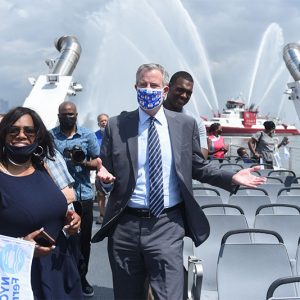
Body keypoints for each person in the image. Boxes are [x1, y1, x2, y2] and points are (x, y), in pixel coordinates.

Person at [91, 63, 266, 300]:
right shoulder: (116, 125)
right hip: (125, 227)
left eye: (154, 85)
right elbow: (105, 175)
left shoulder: (185, 125)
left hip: (167, 224)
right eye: (143, 85)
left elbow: (198, 166)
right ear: (135, 87)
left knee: (169, 295)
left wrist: (231, 176)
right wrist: (105, 182)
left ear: (164, 91)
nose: (148, 89)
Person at [0, 106, 82, 299]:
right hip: (18, 279)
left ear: (37, 136)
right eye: (14, 130)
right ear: (3, 135)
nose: (21, 135)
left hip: (60, 270)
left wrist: (71, 220)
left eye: (29, 130)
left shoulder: (42, 166)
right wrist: (22, 248)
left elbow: (54, 207)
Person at [50, 101, 100, 297]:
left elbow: (98, 161)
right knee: (59, 239)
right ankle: (62, 278)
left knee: (83, 242)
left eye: (71, 114)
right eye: (64, 114)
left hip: (83, 195)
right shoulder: (50, 136)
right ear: (59, 115)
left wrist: (83, 161)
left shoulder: (87, 135)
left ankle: (81, 277)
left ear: (76, 115)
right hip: (58, 197)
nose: (68, 117)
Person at [163, 71, 208, 158]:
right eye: (180, 90)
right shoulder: (153, 114)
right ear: (168, 87)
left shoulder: (196, 122)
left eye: (188, 93)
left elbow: (202, 157)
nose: (184, 95)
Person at [95, 113, 109, 224]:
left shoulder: (115, 133)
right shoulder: (94, 136)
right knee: (100, 193)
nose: (103, 122)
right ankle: (102, 215)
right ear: (98, 123)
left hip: (113, 167)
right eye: (101, 121)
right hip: (99, 168)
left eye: (105, 120)